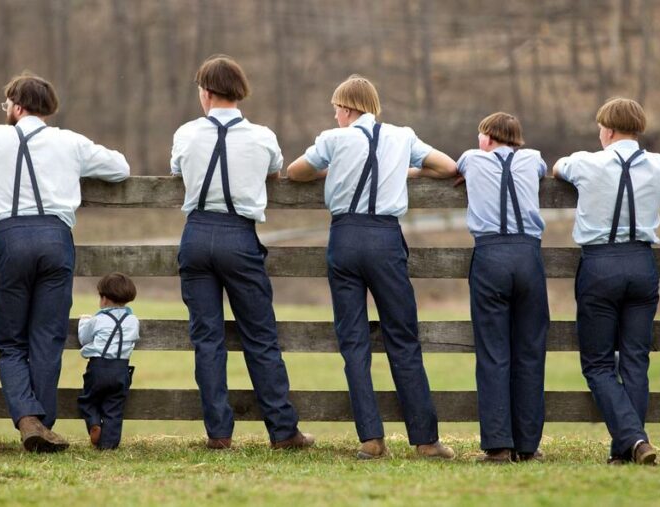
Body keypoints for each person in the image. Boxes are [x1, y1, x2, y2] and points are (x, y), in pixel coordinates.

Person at [0, 72, 130, 452]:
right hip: (56, 241)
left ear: (17, 106)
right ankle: (42, 423)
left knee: (11, 342)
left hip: (10, 238)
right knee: (47, 338)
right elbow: (119, 167)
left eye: (7, 104)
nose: (5, 110)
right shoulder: (69, 142)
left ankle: (27, 419)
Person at [287, 75, 457, 459]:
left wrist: (328, 172)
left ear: (348, 108)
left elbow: (295, 172)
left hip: (345, 238)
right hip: (385, 239)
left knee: (354, 342)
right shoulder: (402, 136)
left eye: (336, 109)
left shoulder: (334, 140)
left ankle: (371, 439)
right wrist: (406, 172)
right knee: (403, 339)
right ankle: (426, 440)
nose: (334, 116)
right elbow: (447, 167)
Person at [171, 54, 313, 450]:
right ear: (238, 92)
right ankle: (283, 431)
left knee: (207, 339)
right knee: (260, 336)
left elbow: (178, 171)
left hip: (197, 234)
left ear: (206, 93)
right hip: (239, 236)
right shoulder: (263, 136)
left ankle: (219, 433)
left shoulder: (186, 133)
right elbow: (274, 171)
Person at [554, 97, 660, 465]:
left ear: (606, 130)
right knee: (635, 360)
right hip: (641, 263)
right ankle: (625, 451)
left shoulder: (587, 162)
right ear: (638, 129)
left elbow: (559, 167)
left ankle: (633, 440)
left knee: (598, 364)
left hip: (601, 264)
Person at [456, 113, 549, 463]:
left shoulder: (472, 158)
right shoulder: (533, 158)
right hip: (528, 255)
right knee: (530, 350)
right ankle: (528, 446)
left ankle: (498, 445)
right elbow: (540, 169)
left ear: (489, 137)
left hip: (491, 255)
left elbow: (458, 168)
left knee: (494, 352)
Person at [77, 273, 139, 450]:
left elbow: (84, 337)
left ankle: (94, 423)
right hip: (121, 369)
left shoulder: (97, 320)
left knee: (88, 400)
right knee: (115, 407)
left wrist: (84, 321)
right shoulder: (133, 321)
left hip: (98, 367)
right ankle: (109, 445)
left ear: (103, 299)